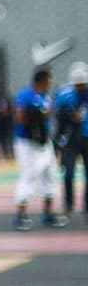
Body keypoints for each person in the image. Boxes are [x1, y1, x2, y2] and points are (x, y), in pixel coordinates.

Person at [12, 68, 68, 230]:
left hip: (44, 142)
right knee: (29, 176)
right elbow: (20, 117)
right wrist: (35, 115)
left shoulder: (46, 96)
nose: (50, 84)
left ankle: (48, 214)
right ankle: (21, 215)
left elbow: (48, 114)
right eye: (49, 80)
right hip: (28, 142)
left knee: (51, 175)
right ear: (42, 81)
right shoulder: (26, 95)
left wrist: (45, 114)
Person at [54, 61, 88, 219]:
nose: (80, 87)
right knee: (68, 173)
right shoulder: (64, 94)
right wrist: (69, 116)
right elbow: (58, 118)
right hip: (71, 139)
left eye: (83, 84)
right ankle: (68, 205)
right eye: (78, 84)